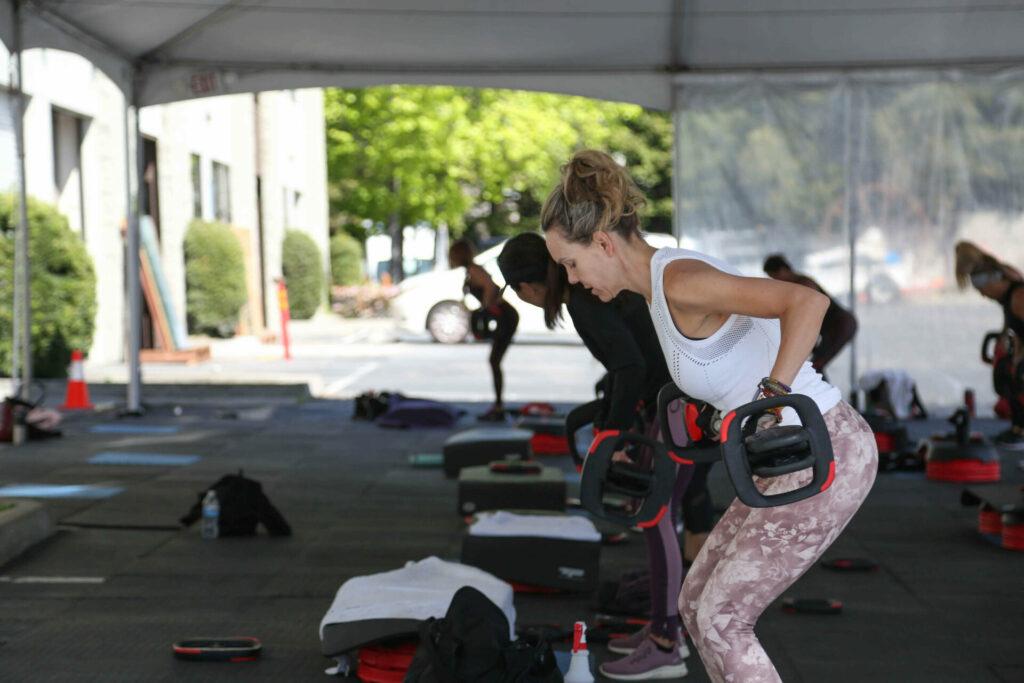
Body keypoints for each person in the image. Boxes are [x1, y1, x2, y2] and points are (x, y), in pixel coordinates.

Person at [540, 149, 878, 683]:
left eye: (570, 264)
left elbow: (806, 304)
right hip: (790, 456)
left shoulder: (679, 281)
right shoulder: (660, 288)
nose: (572, 279)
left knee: (722, 619)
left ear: (603, 243)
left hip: (826, 453)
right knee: (695, 602)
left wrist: (772, 397)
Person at [497, 233, 692, 680]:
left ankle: (667, 643)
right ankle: (666, 630)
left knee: (658, 519)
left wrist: (611, 435)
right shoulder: (586, 296)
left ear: (526, 287)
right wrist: (610, 417)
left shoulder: (584, 300)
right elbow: (629, 363)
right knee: (660, 519)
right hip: (673, 400)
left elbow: (631, 367)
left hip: (676, 404)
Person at [955, 241, 1024, 450]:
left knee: (1019, 373)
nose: (982, 294)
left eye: (981, 288)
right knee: (1009, 371)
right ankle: (1018, 429)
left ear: (993, 281)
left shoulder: (1018, 297)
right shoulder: (1009, 295)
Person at [448, 239, 519, 421]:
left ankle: (499, 407)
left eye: (452, 255)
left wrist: (486, 308)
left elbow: (490, 287)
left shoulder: (474, 270)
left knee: (494, 360)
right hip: (502, 316)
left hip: (506, 316)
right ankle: (498, 405)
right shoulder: (470, 271)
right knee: (494, 361)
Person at [763, 253, 858, 377]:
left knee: (815, 366)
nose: (775, 281)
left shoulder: (804, 284)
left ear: (782, 270)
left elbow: (808, 313)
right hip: (834, 327)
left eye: (774, 276)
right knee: (814, 365)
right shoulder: (798, 284)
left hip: (840, 326)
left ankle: (822, 389)